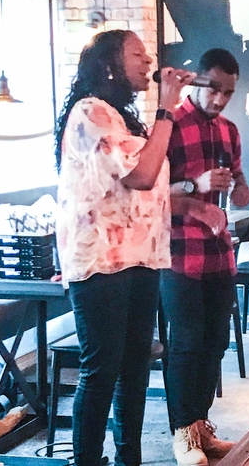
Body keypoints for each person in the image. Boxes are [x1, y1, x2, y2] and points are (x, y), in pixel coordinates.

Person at [54, 30, 192, 466]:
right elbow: (142, 176)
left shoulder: (123, 118)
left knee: (134, 368)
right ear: (109, 65)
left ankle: (128, 458)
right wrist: (167, 108)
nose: (148, 60)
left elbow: (150, 183)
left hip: (141, 256)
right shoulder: (90, 112)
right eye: (137, 54)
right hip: (101, 260)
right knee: (102, 370)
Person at [163, 48, 249, 466]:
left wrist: (241, 189)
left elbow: (238, 176)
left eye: (228, 92)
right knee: (185, 344)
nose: (220, 99)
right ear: (197, 81)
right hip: (178, 253)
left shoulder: (229, 130)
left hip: (219, 252)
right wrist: (194, 185)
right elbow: (149, 195)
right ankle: (182, 433)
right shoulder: (168, 126)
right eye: (214, 89)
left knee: (215, 342)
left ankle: (199, 425)